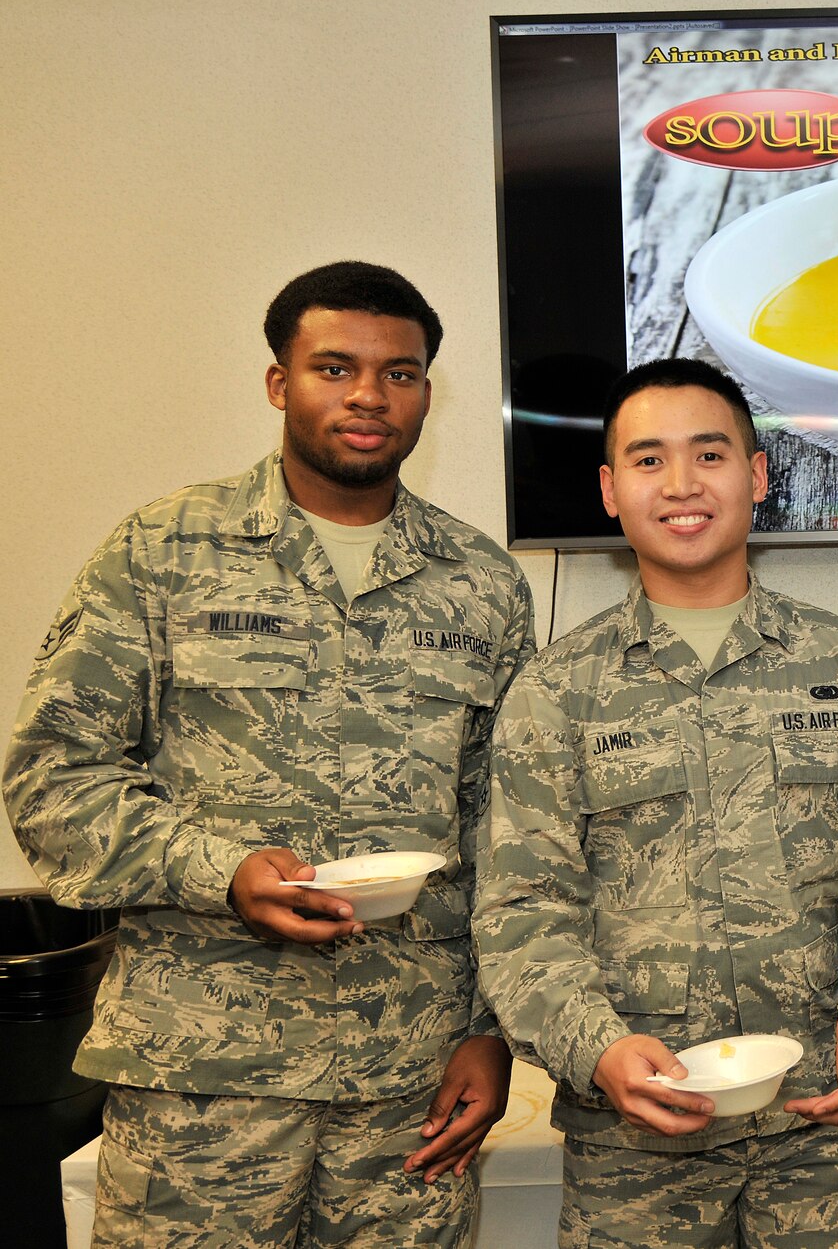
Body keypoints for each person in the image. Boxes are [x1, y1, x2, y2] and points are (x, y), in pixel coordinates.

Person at [3, 261, 537, 1246]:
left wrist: (490, 1028)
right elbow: (53, 774)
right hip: (202, 1085)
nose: (369, 396)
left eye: (401, 373)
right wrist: (222, 870)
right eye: (335, 367)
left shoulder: (482, 585)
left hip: (405, 1090)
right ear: (278, 381)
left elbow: (509, 832)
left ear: (427, 389)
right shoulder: (162, 551)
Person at [474, 357, 838, 1249]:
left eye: (710, 455)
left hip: (824, 1129)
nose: (682, 484)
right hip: (632, 1147)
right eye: (648, 461)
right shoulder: (556, 691)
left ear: (758, 476)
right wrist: (598, 1048)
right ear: (610, 490)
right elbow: (523, 911)